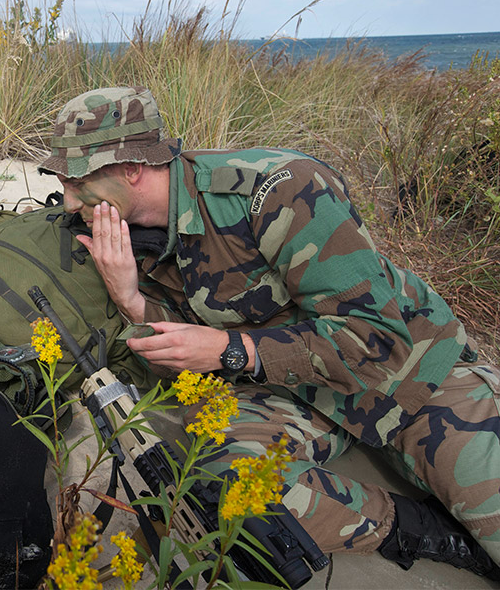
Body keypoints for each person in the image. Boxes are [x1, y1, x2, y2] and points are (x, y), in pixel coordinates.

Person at [38, 85, 500, 581]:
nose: (66, 201)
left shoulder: (278, 188)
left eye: (76, 180)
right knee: (224, 492)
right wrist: (131, 299)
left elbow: (377, 338)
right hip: (295, 393)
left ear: (130, 168)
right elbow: (190, 341)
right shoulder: (134, 232)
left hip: (415, 379)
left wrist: (233, 350)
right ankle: (412, 527)